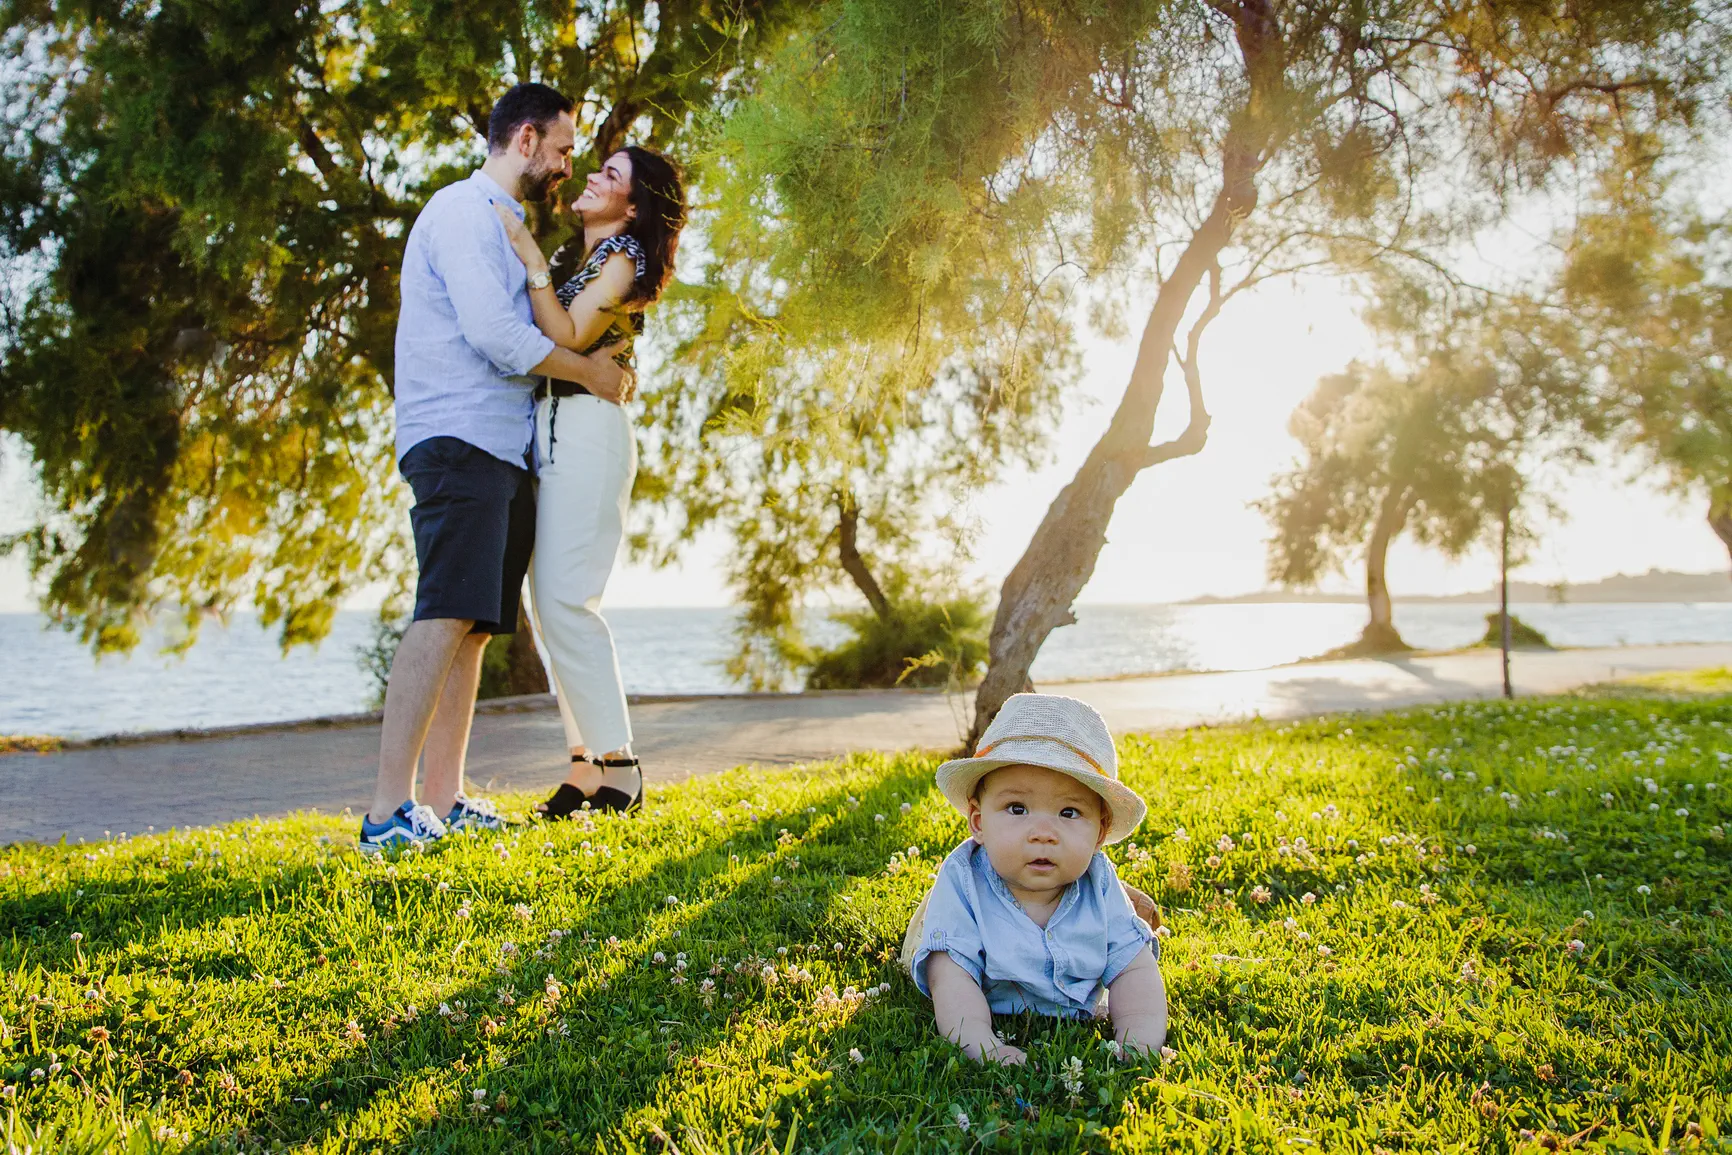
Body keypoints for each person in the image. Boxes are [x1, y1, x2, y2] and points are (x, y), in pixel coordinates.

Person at [360, 83, 635, 855]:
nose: (568, 165)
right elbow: (495, 336)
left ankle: (442, 799)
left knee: (475, 628)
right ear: (526, 139)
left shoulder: (508, 225)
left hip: (501, 449)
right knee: (443, 612)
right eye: (563, 149)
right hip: (458, 439)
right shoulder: (462, 212)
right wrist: (589, 374)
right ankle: (386, 812)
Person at [492, 145, 686, 818]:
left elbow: (570, 336)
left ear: (631, 207)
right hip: (551, 428)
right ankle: (584, 765)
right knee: (551, 606)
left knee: (569, 602)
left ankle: (621, 767)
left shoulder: (623, 257)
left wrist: (527, 254)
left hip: (588, 433)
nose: (593, 177)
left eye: (611, 175)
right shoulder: (581, 259)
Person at [903, 693, 1169, 1064]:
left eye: (1069, 812)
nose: (1043, 833)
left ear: (1100, 832)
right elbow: (950, 976)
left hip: (1091, 900)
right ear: (979, 822)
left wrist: (1138, 1039)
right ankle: (929, 915)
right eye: (1017, 808)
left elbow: (1134, 967)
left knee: (1129, 934)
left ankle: (1130, 905)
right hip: (948, 925)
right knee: (938, 951)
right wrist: (983, 1044)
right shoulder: (963, 880)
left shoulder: (1098, 880)